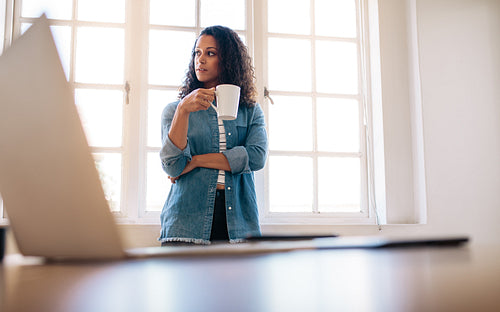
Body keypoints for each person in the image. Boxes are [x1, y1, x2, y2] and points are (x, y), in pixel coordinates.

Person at [159, 25, 268, 245]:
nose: (200, 60)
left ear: (227, 60)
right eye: (197, 53)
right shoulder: (175, 110)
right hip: (186, 223)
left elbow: (256, 157)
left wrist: (196, 161)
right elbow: (174, 166)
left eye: (210, 53)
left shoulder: (251, 111)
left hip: (239, 224)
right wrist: (183, 110)